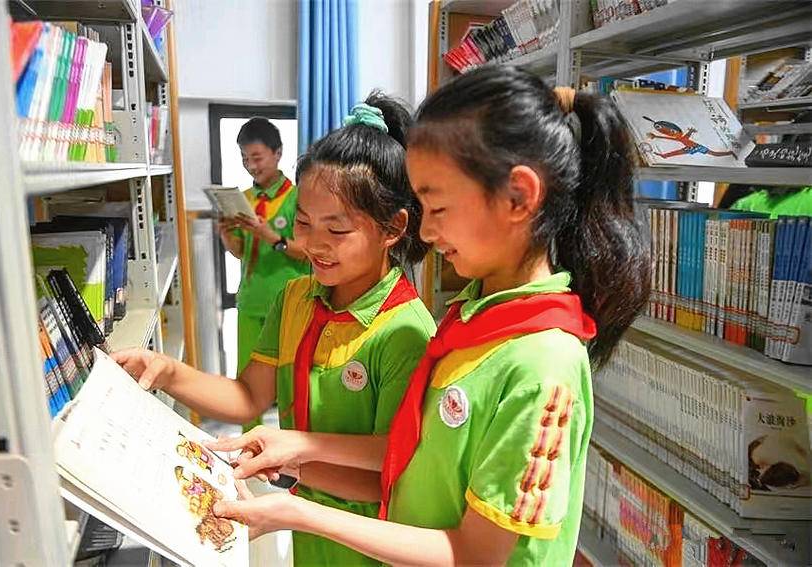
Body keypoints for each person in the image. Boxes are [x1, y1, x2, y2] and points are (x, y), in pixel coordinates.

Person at [209, 66, 652, 566]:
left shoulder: (542, 365)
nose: (425, 233)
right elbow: (414, 451)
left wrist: (298, 511)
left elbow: (474, 555)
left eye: (437, 209)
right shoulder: (475, 316)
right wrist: (296, 451)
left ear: (518, 197)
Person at [114, 92, 436, 566]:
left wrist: (289, 466)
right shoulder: (296, 299)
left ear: (392, 228)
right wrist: (168, 373)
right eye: (304, 223)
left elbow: (388, 472)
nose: (314, 245)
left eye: (337, 230)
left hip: (368, 541)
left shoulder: (406, 332)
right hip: (306, 529)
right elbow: (249, 396)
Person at [218, 118, 309, 376]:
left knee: (288, 379)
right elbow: (241, 252)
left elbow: (308, 253)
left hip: (288, 305)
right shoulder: (243, 199)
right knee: (248, 378)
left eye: (257, 158)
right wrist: (226, 234)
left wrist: (272, 237)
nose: (251, 166)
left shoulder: (299, 198)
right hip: (250, 302)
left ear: (277, 153)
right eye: (245, 159)